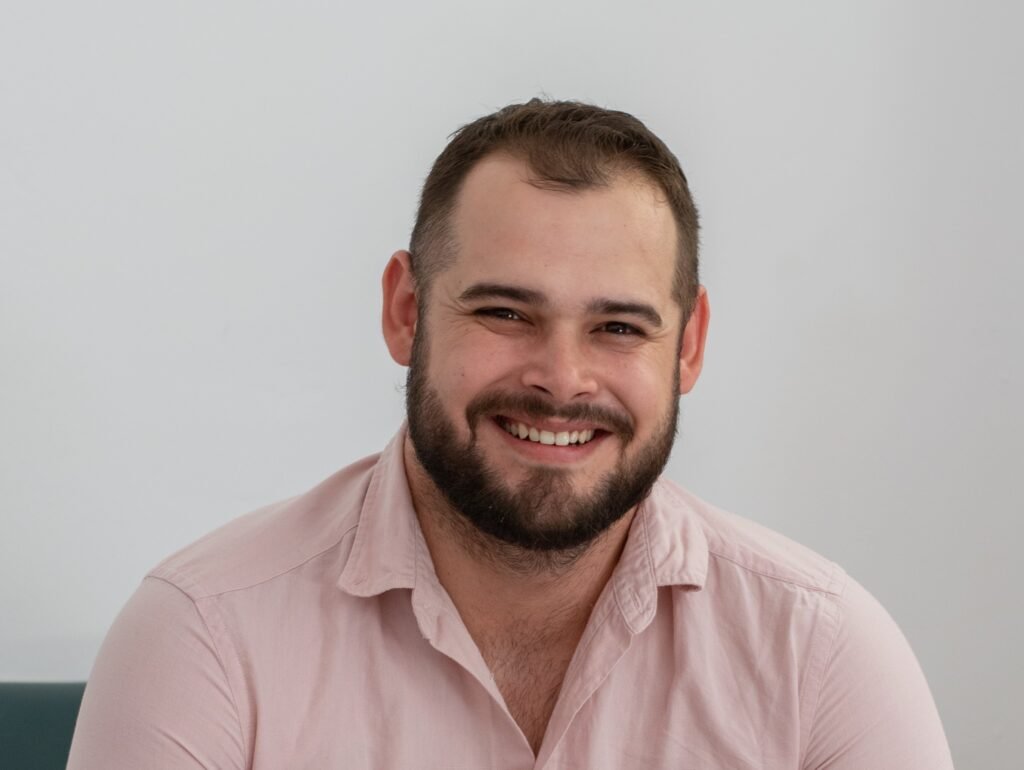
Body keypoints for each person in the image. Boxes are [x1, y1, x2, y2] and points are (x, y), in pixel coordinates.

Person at [68, 99, 954, 769]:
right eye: (504, 312)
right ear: (406, 311)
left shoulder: (820, 653)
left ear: (688, 348)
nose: (561, 380)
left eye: (618, 327)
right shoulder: (205, 636)